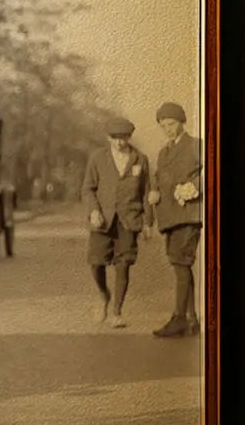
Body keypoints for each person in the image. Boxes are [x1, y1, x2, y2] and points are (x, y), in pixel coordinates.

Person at [80, 113, 150, 328]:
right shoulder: (98, 158)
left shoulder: (140, 159)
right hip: (102, 220)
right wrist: (93, 211)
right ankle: (104, 295)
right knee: (96, 263)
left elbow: (147, 192)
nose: (120, 142)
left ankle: (117, 312)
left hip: (129, 219)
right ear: (108, 138)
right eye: (115, 138)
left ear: (129, 137)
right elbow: (88, 189)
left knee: (124, 264)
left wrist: (148, 222)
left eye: (124, 138)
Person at [147, 100, 204, 337]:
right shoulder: (164, 152)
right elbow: (158, 180)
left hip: (188, 215)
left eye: (171, 124)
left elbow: (213, 169)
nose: (168, 129)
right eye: (163, 125)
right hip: (169, 216)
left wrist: (195, 187)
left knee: (181, 263)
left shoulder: (196, 145)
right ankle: (191, 320)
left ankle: (179, 318)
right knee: (180, 265)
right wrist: (155, 192)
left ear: (182, 122)